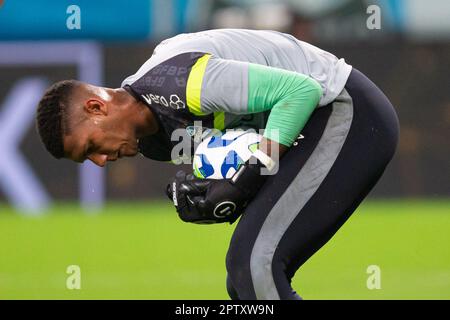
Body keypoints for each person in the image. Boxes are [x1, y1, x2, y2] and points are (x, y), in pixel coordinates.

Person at [35, 29, 399, 300]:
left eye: (91, 147)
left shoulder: (180, 81)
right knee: (242, 284)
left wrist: (245, 180)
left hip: (345, 109)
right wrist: (210, 195)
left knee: (255, 267)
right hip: (313, 123)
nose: (100, 162)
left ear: (96, 107)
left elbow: (300, 92)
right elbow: (241, 146)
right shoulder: (152, 141)